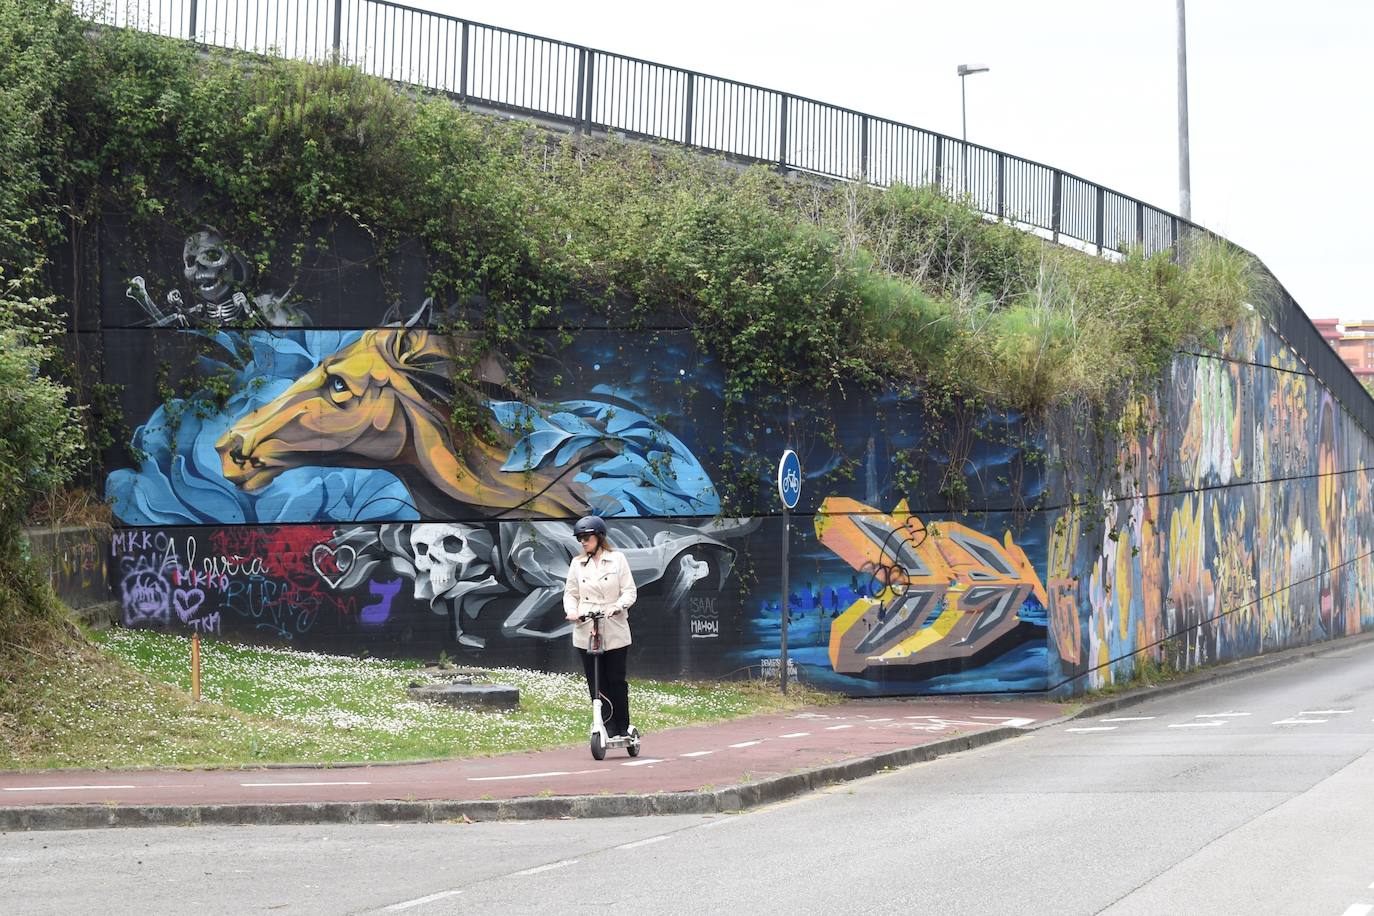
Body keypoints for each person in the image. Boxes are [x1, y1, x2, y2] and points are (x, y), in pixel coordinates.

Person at [563, 515, 637, 740]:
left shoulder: (617, 560)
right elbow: (570, 593)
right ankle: (607, 724)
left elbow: (629, 590)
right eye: (580, 538)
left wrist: (617, 606)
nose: (583, 542)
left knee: (615, 678)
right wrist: (572, 611)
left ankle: (623, 724)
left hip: (613, 625)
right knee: (596, 681)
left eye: (587, 537)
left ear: (599, 537)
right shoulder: (577, 564)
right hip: (587, 626)